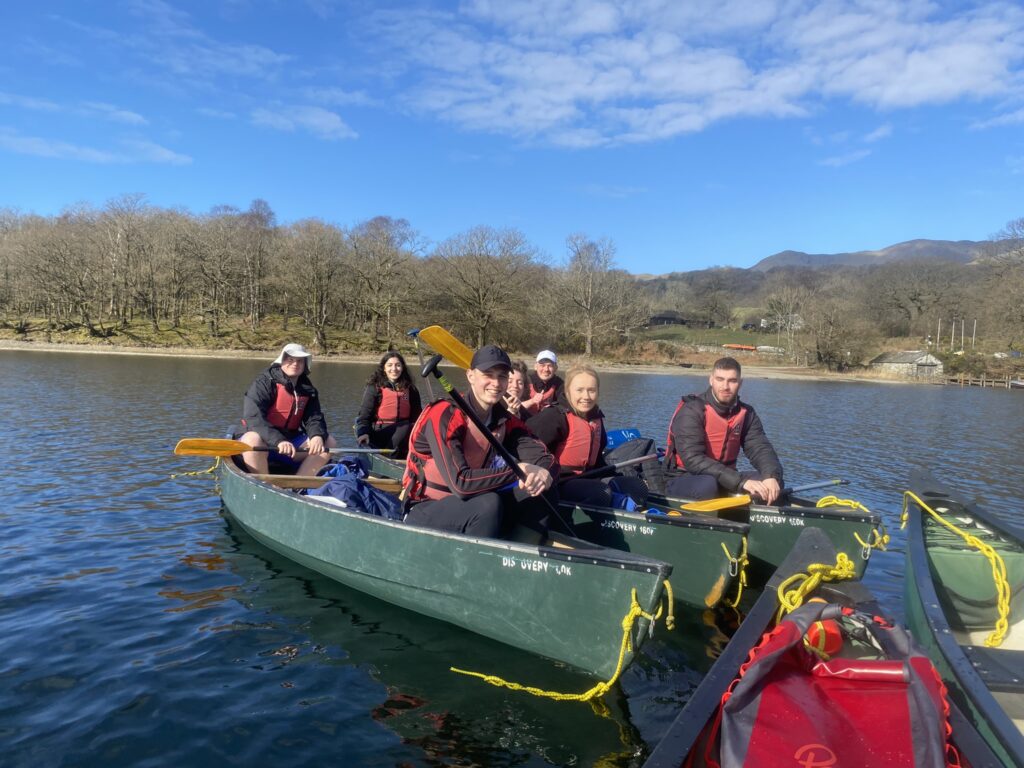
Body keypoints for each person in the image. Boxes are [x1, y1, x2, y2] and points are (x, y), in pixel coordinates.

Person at [403, 344, 556, 538]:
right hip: (427, 506)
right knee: (488, 504)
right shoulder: (444, 414)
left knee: (542, 491)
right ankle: (480, 563)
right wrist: (519, 471)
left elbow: (544, 456)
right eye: (488, 374)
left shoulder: (505, 420)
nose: (495, 382)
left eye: (502, 376)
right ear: (470, 376)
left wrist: (542, 473)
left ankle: (520, 558)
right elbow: (461, 484)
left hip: (476, 503)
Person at [663, 357, 784, 504]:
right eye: (720, 379)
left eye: (732, 381)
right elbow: (693, 460)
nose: (725, 386)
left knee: (772, 484)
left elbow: (760, 448)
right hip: (685, 478)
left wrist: (770, 476)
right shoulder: (691, 410)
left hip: (725, 478)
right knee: (707, 486)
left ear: (740, 383)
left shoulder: (746, 413)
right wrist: (739, 482)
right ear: (711, 380)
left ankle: (758, 519)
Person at [528, 365, 648, 509]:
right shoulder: (554, 416)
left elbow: (597, 461)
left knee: (637, 486)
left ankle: (626, 509)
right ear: (568, 391)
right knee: (602, 493)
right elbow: (528, 449)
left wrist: (617, 475)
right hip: (558, 482)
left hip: (587, 477)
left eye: (591, 390)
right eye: (579, 390)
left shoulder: (595, 418)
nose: (586, 396)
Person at [237, 343, 337, 475]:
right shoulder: (263, 383)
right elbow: (254, 418)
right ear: (281, 360)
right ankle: (265, 482)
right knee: (252, 439)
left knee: (329, 442)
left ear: (305, 364)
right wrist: (279, 440)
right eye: (290, 360)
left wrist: (317, 436)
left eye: (300, 361)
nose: (295, 364)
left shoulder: (308, 389)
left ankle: (299, 484)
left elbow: (314, 418)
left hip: (290, 442)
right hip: (264, 441)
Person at [355, 351, 422, 459]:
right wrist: (363, 432)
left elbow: (417, 416)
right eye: (390, 365)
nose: (394, 369)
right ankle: (388, 458)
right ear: (384, 368)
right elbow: (364, 415)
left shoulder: (411, 389)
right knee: (406, 426)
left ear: (403, 368)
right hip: (381, 432)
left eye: (398, 365)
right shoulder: (374, 388)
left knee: (413, 427)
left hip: (405, 434)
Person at [522, 349, 565, 414]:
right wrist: (532, 401)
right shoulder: (526, 381)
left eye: (550, 365)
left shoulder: (560, 384)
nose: (546, 369)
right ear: (535, 367)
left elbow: (564, 406)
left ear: (556, 368)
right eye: (542, 365)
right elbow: (516, 405)